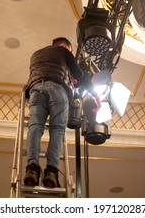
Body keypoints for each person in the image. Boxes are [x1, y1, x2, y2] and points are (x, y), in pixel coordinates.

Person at [23, 37, 100, 188]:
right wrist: (95, 95)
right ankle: (51, 171)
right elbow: (79, 75)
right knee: (57, 129)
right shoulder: (63, 51)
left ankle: (32, 169)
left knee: (35, 127)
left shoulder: (36, 54)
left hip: (36, 90)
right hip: (57, 89)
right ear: (65, 46)